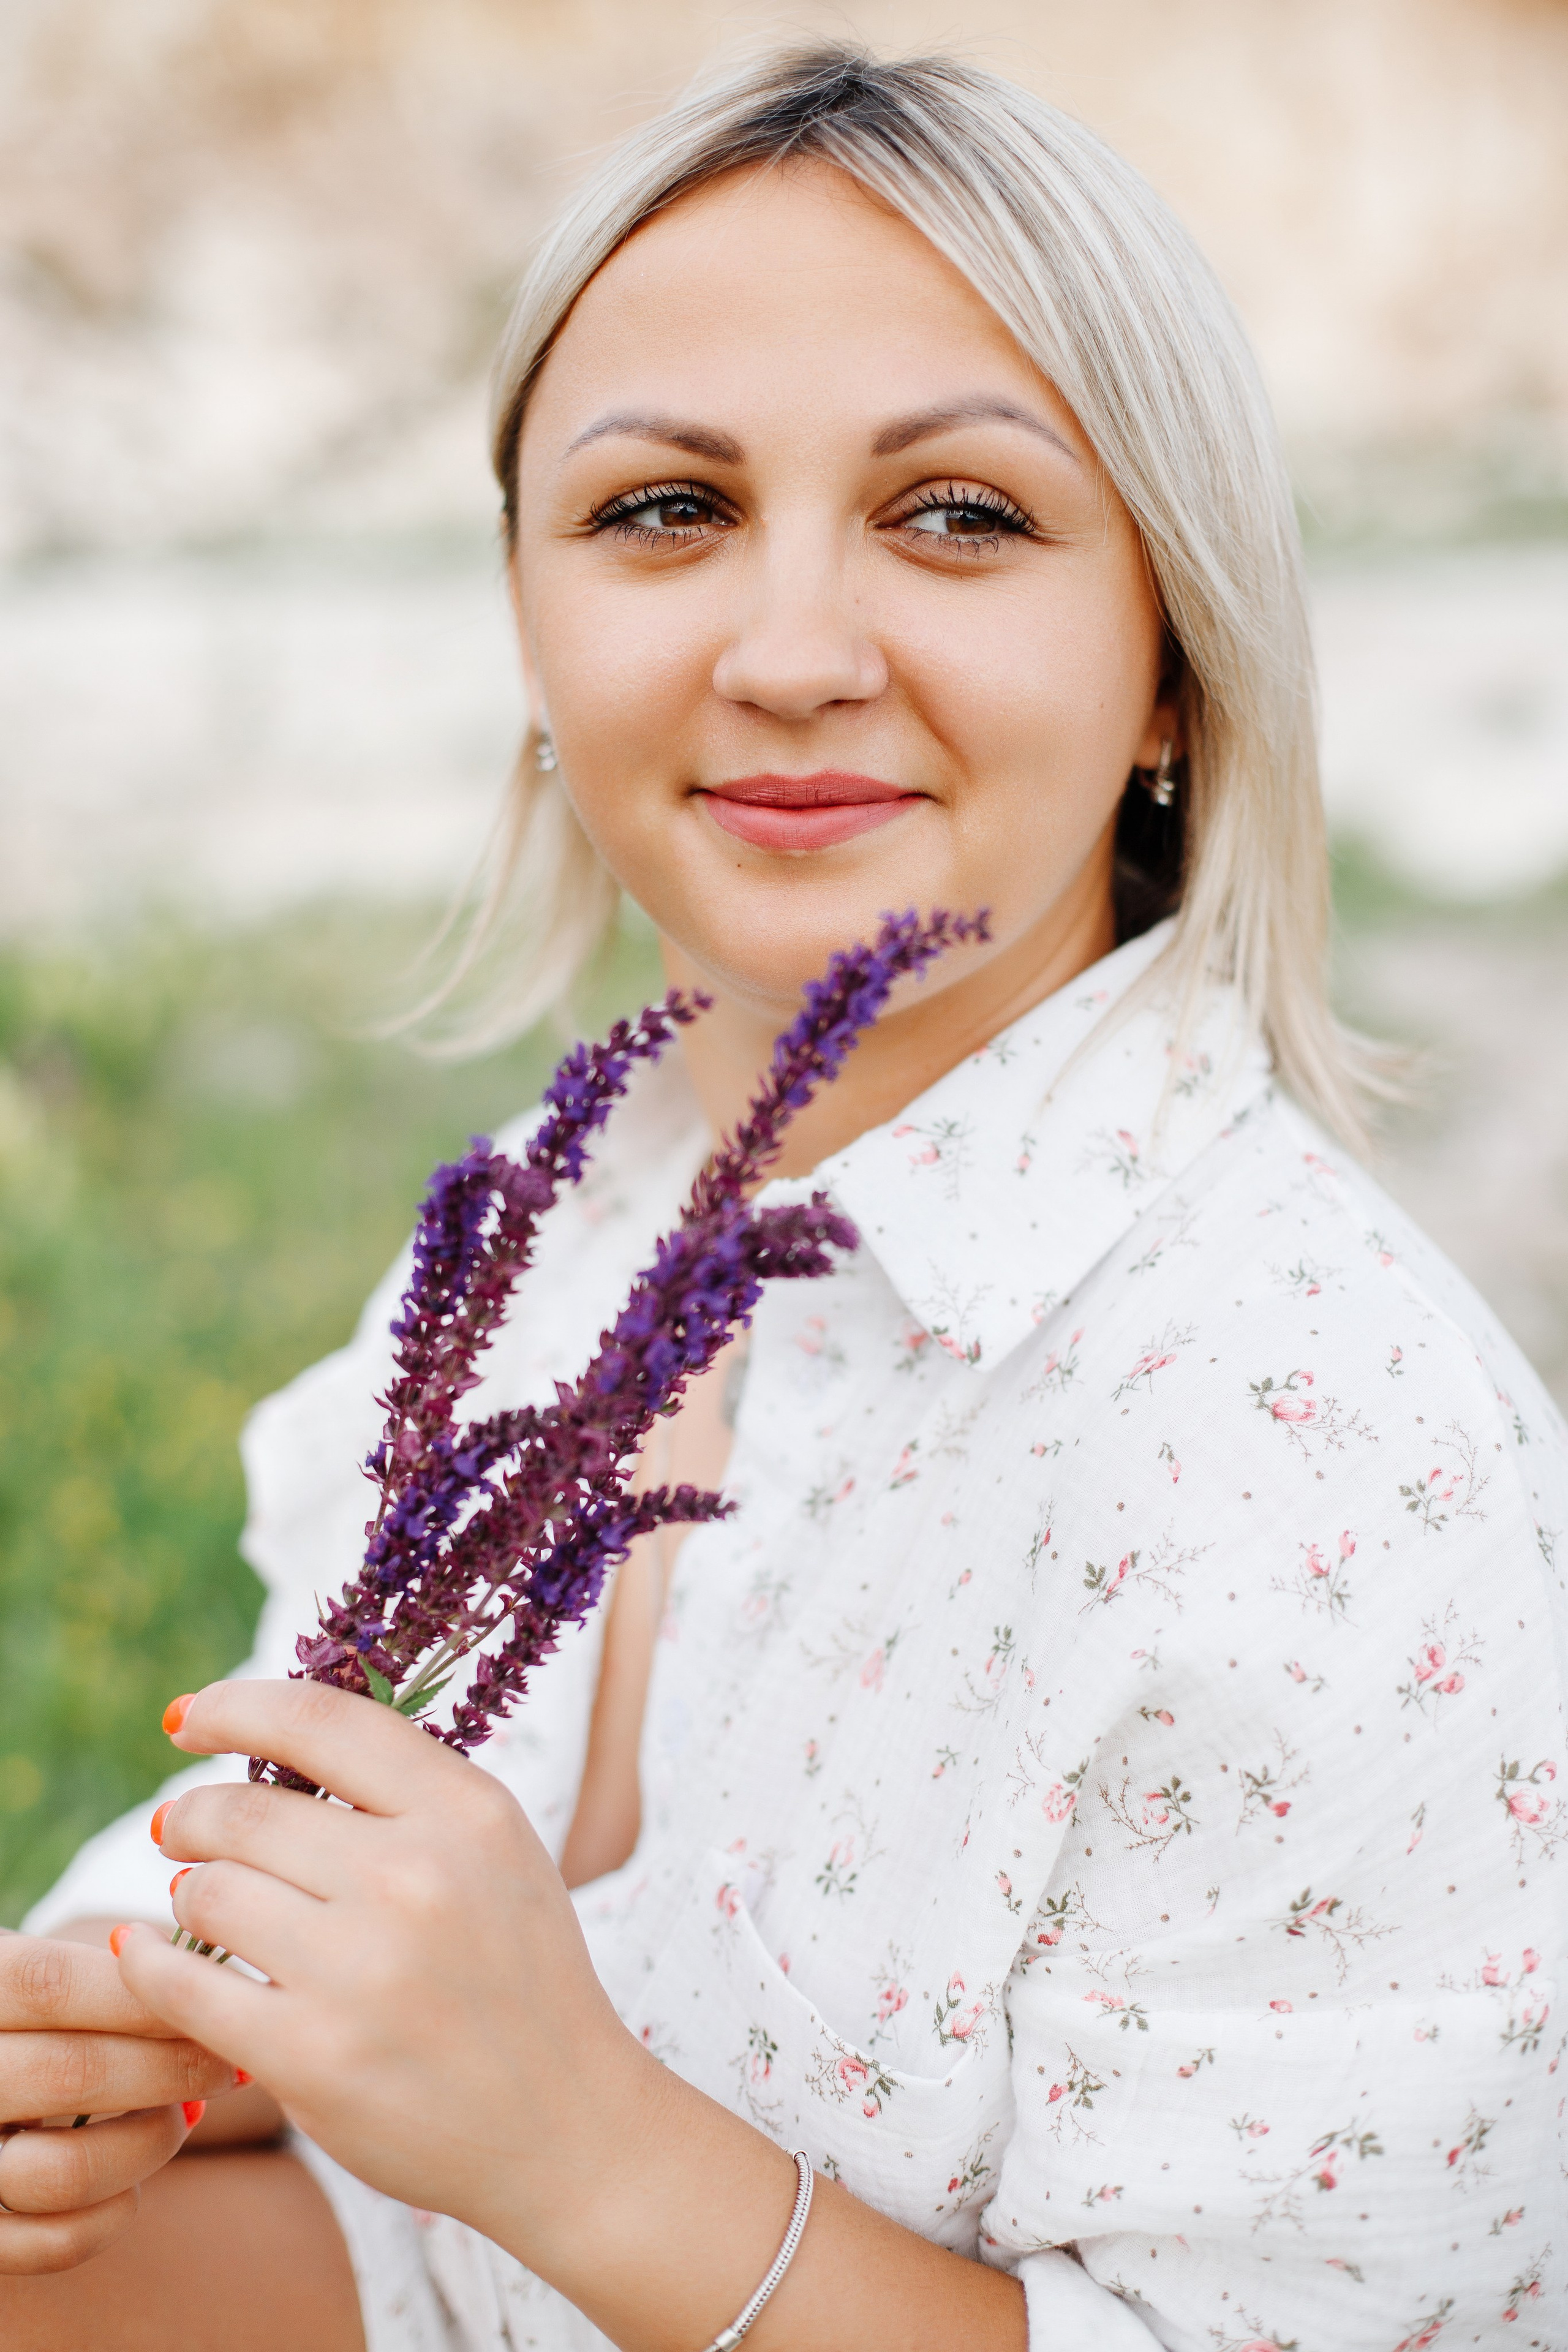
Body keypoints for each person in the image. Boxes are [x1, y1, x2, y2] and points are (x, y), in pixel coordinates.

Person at [3, 42, 1564, 2352]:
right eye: (664, 510)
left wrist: (579, 2144)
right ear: (529, 618)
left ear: (1175, 660)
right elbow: (387, 2208)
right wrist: (117, 2048)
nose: (796, 655)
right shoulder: (553, 1237)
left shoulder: (1322, 1454)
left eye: (961, 515)